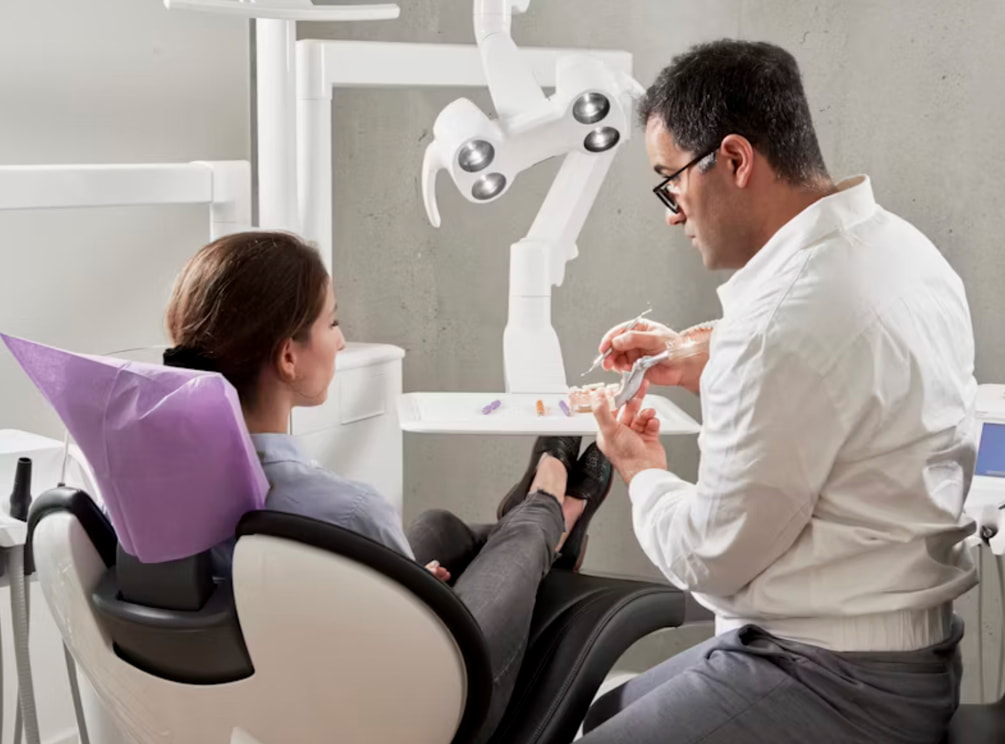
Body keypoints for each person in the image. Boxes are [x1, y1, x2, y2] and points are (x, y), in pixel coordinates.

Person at [578, 39, 977, 744]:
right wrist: (711, 357)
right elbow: (844, 391)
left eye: (669, 181)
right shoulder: (904, 252)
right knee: (607, 712)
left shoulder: (780, 326)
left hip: (836, 678)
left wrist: (640, 472)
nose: (672, 212)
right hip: (908, 653)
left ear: (733, 160)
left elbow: (711, 560)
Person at [162, 230, 614, 741]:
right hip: (417, 713)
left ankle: (537, 515)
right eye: (332, 322)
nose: (340, 340)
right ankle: (549, 507)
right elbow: (416, 649)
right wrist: (413, 603)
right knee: (520, 535)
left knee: (440, 527)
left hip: (282, 694)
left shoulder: (151, 497)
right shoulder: (345, 511)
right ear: (289, 357)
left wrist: (403, 589)